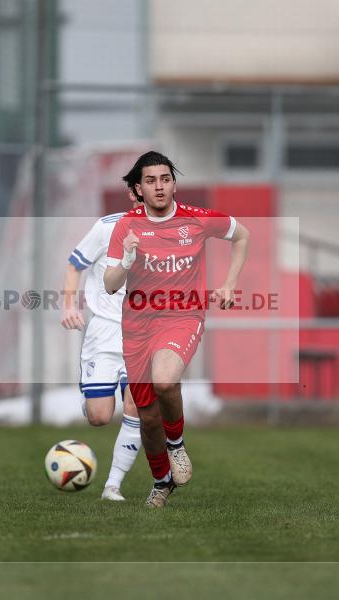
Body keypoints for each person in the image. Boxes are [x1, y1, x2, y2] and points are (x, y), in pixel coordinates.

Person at [104, 151, 250, 508]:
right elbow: (110, 284)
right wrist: (125, 261)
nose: (159, 187)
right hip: (137, 325)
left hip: (183, 317)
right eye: (150, 181)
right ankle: (161, 482)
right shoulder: (127, 226)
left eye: (165, 179)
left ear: (174, 184)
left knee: (165, 380)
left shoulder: (196, 220)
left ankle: (177, 444)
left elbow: (242, 235)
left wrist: (230, 284)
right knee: (148, 417)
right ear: (138, 188)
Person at [61, 190, 142, 501]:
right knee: (99, 417)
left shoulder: (171, 233)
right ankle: (91, 399)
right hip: (105, 332)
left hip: (142, 334)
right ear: (134, 193)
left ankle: (113, 485)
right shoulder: (107, 227)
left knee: (135, 405)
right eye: (144, 186)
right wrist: (69, 306)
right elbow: (74, 265)